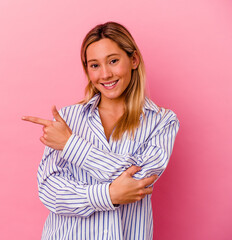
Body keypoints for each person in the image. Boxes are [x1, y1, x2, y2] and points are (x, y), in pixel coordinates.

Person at [22, 22, 179, 240]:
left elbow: (139, 181)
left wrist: (70, 145)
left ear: (133, 60)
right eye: (94, 65)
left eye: (113, 61)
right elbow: (50, 191)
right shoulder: (66, 119)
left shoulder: (162, 121)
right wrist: (108, 195)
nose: (105, 74)